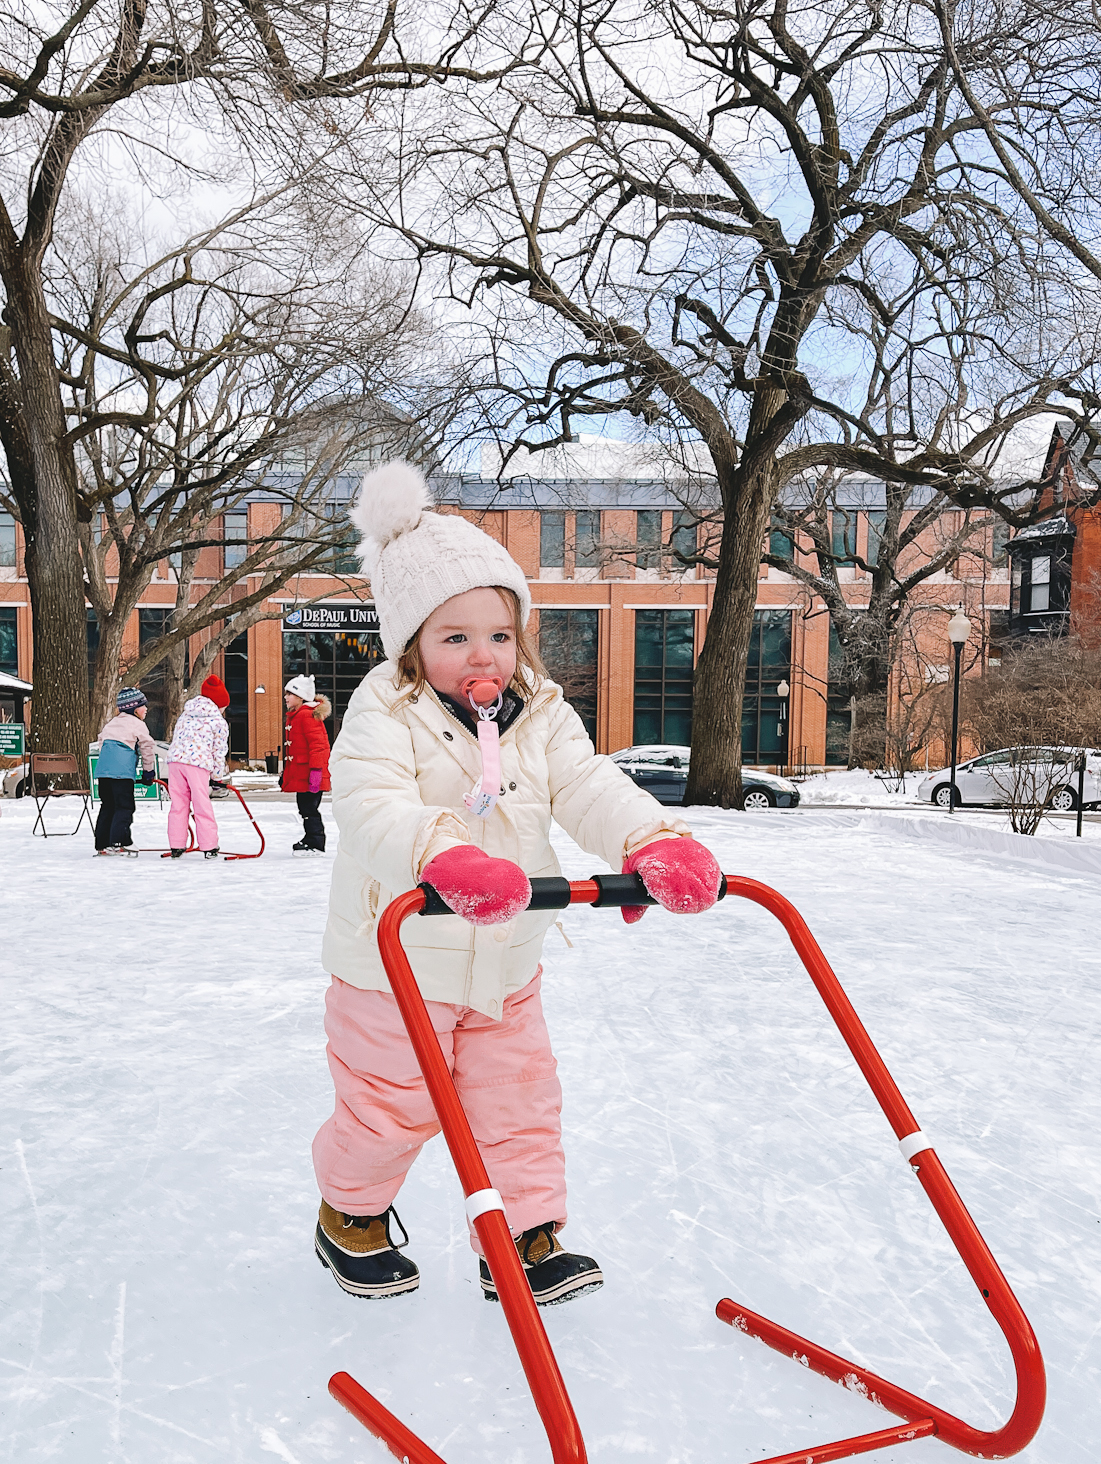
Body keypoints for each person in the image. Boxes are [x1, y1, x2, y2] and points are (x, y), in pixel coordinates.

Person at [310, 460, 724, 1304]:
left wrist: (651, 839)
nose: (482, 654)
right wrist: (443, 857)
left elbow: (587, 785)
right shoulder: (383, 712)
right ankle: (348, 1214)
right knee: (394, 1110)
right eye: (454, 637)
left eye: (498, 634)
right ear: (413, 645)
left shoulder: (539, 712)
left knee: (520, 1102)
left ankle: (527, 1238)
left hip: (508, 960)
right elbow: (370, 803)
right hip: (397, 967)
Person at [164, 674, 233, 857]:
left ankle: (176, 844)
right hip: (197, 764)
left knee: (178, 804)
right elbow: (219, 752)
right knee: (202, 803)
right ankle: (209, 845)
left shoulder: (185, 715)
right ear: (219, 704)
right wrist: (217, 777)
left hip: (175, 762)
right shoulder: (218, 722)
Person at [92, 687, 158, 852]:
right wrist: (148, 771)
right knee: (124, 807)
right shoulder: (138, 724)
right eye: (144, 706)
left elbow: (102, 742)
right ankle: (121, 842)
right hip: (122, 774)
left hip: (103, 772)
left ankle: (102, 843)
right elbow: (147, 747)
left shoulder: (111, 723)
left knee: (108, 805)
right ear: (135, 709)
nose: (146, 709)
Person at [280, 675, 332, 853]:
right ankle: (311, 838)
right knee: (305, 808)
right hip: (303, 774)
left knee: (309, 808)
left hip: (310, 775)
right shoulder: (297, 716)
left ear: (301, 697)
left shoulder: (307, 716)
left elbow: (319, 746)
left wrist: (316, 771)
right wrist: (285, 776)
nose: (285, 697)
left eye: (290, 694)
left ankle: (316, 842)